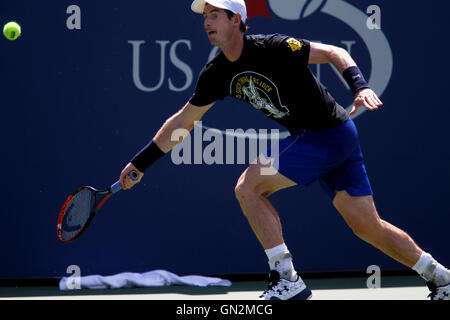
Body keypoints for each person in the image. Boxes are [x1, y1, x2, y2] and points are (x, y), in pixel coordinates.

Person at [119, 0, 450, 300]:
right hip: (327, 138)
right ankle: (441, 277)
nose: (207, 22)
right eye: (205, 16)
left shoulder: (275, 47)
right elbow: (183, 122)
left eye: (215, 15)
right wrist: (141, 162)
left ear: (237, 20)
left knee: (248, 187)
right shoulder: (216, 73)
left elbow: (336, 52)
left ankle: (286, 278)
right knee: (367, 227)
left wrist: (360, 88)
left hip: (328, 135)